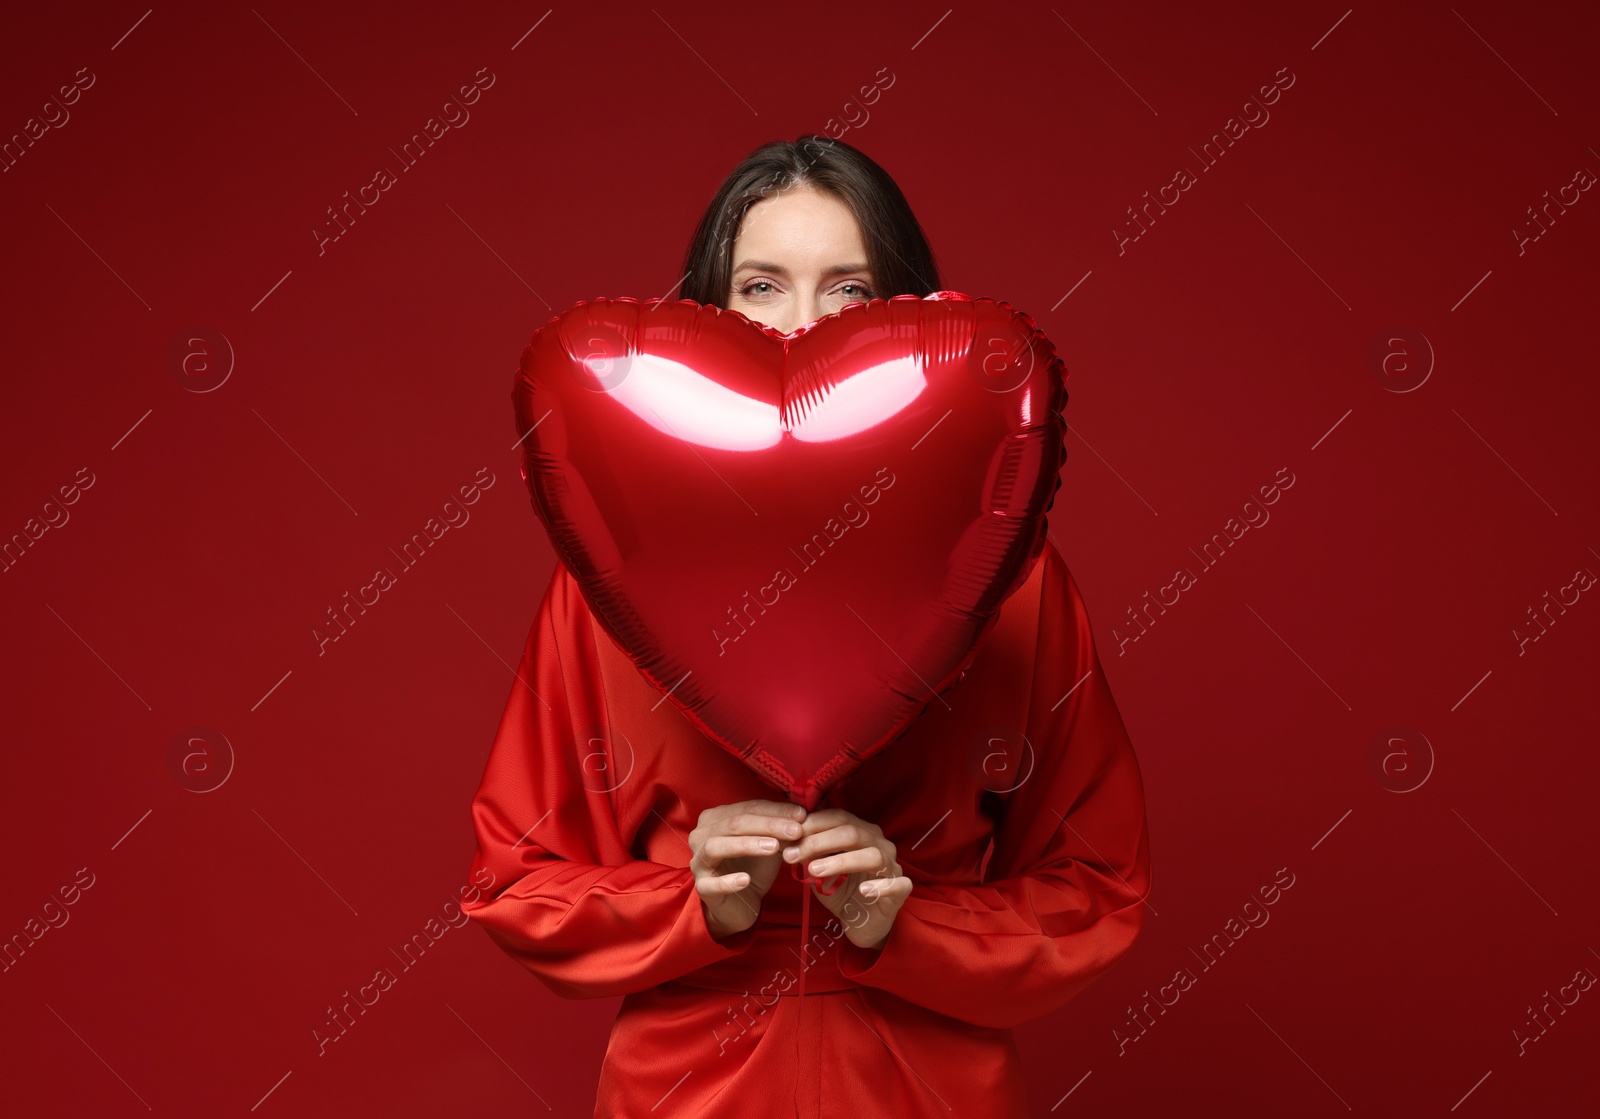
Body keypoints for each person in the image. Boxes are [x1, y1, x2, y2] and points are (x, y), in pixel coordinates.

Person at [460, 134, 1153, 1118]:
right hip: (684, 1093)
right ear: (704, 316)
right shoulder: (604, 584)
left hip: (932, 1093)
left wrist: (903, 924)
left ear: (910, 317)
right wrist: (695, 905)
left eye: (847, 291)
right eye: (761, 286)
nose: (800, 328)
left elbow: (1098, 885)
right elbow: (513, 878)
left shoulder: (1013, 579)